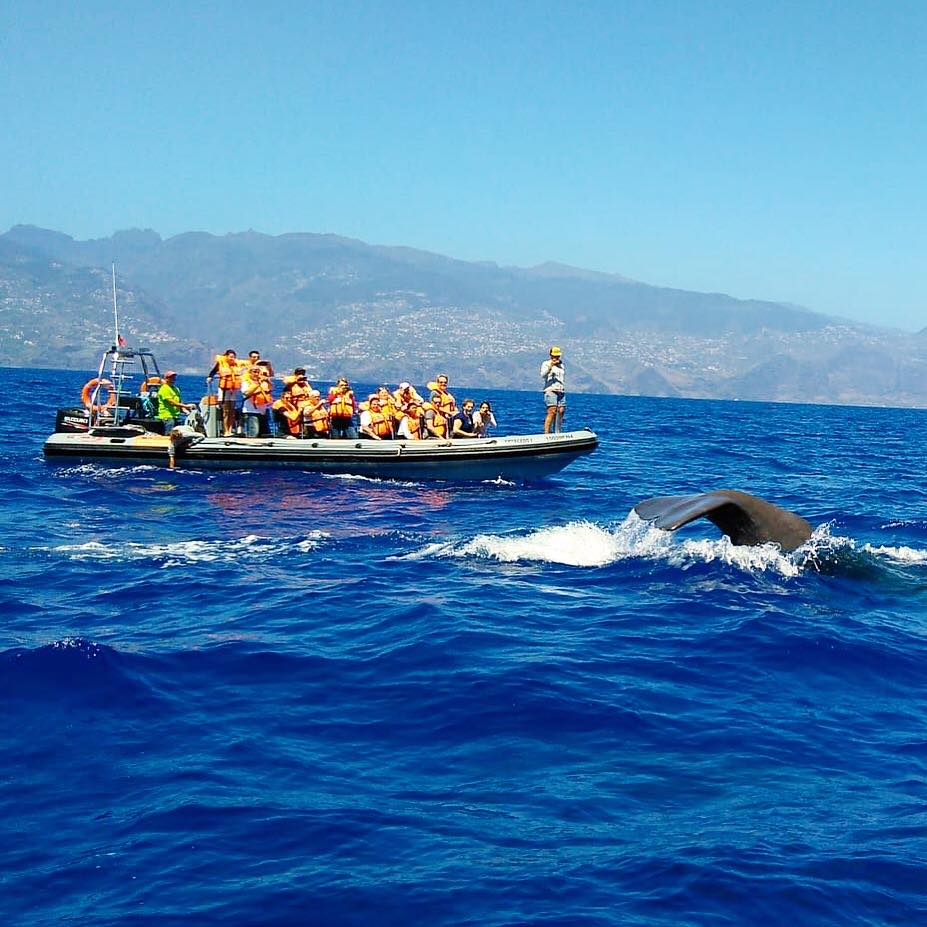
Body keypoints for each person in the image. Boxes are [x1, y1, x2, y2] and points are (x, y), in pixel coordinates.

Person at [206, 348, 246, 436]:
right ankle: (225, 430)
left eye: (234, 357)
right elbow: (213, 371)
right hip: (224, 389)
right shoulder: (221, 363)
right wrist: (210, 377)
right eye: (231, 357)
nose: (232, 359)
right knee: (226, 410)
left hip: (234, 390)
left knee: (232, 410)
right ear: (226, 357)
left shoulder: (237, 365)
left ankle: (230, 429)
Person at [241, 362, 275, 437]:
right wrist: (258, 384)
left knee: (265, 434)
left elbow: (269, 389)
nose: (256, 373)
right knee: (254, 433)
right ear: (250, 373)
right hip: (251, 411)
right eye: (254, 371)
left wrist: (267, 380)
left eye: (258, 372)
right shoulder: (246, 382)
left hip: (263, 411)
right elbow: (246, 393)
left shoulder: (264, 382)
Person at [540, 346, 565, 434]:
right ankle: (546, 433)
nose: (556, 358)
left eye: (557, 356)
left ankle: (557, 431)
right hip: (551, 390)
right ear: (551, 355)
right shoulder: (546, 363)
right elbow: (543, 375)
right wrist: (551, 366)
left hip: (561, 391)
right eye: (554, 356)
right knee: (552, 411)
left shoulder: (561, 365)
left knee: (561, 411)